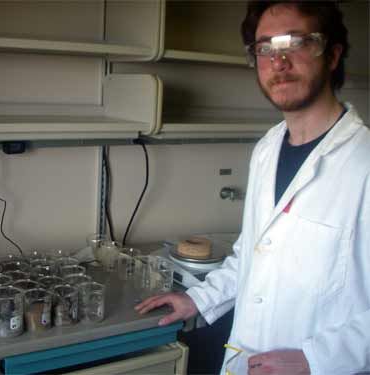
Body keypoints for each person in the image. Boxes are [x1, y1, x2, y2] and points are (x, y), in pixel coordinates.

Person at [135, 1, 370, 374]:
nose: (279, 62)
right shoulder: (267, 149)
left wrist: (319, 359)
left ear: (333, 54)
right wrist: (198, 299)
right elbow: (252, 255)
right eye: (265, 49)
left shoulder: (363, 163)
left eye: (296, 42)